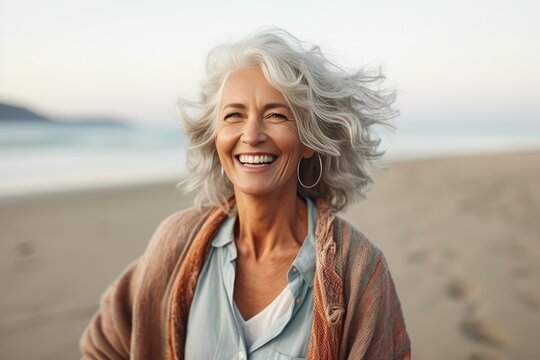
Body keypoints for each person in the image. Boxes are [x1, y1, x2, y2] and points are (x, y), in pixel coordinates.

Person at [80, 28, 411, 360]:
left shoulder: (359, 269)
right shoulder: (177, 244)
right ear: (216, 137)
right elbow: (102, 347)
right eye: (234, 115)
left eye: (276, 115)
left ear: (308, 140)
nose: (251, 135)